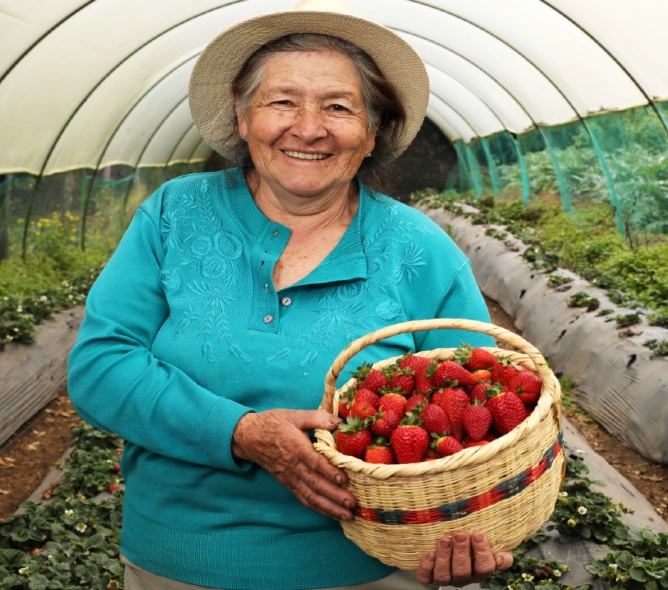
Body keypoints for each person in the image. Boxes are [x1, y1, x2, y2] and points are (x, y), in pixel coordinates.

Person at [66, 1, 514, 588]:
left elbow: (486, 417)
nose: (308, 128)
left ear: (373, 131)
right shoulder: (176, 214)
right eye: (282, 101)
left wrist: (473, 532)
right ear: (242, 115)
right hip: (182, 560)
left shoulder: (420, 251)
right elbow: (101, 365)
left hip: (372, 567)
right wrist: (241, 432)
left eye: (338, 107)